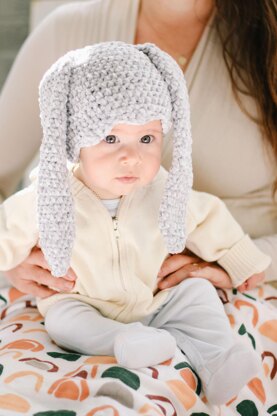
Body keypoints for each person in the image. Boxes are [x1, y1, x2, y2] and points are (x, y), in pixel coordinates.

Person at [0, 41, 270, 405]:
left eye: (147, 138)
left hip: (156, 295)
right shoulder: (50, 195)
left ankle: (219, 361)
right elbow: (6, 231)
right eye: (110, 138)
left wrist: (245, 263)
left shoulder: (162, 187)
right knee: (63, 320)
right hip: (83, 301)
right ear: (75, 142)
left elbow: (208, 217)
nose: (131, 157)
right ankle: (122, 340)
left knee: (198, 295)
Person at [0, 0, 276, 296]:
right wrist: (10, 264)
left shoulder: (268, 41)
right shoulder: (67, 30)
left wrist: (245, 262)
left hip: (240, 291)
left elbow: (243, 258)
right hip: (79, 296)